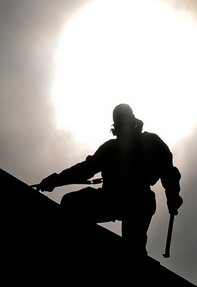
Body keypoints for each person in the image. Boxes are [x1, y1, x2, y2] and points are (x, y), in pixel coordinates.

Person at [37, 104, 182, 254]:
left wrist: (173, 197)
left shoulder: (142, 143)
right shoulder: (123, 146)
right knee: (71, 203)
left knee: (133, 246)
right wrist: (55, 180)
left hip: (135, 202)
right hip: (121, 200)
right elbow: (84, 170)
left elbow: (168, 172)